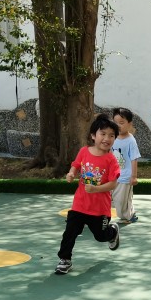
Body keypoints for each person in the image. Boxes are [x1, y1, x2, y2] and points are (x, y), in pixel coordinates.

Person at [54, 114, 121, 274]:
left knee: (100, 236)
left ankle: (112, 232)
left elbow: (113, 183)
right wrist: (71, 173)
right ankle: (65, 259)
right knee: (70, 231)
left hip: (100, 208)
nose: (107, 138)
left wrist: (96, 189)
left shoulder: (111, 160)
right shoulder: (84, 151)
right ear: (93, 135)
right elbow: (76, 165)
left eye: (111, 135)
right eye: (103, 134)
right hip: (80, 204)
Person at [110, 107, 141, 225]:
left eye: (121, 123)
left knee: (122, 200)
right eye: (115, 122)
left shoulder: (131, 141)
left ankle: (129, 215)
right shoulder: (112, 137)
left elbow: (134, 158)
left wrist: (133, 176)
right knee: (113, 198)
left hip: (125, 176)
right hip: (113, 175)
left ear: (130, 124)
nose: (118, 125)